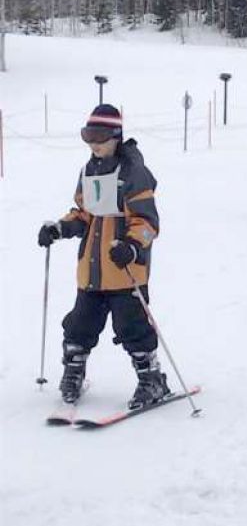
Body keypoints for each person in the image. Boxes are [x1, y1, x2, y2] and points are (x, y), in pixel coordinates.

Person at [37, 104, 170, 409]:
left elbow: (148, 223)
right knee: (78, 326)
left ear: (116, 136)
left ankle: (152, 379)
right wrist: (60, 228)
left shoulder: (134, 173)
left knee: (132, 328)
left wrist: (133, 246)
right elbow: (85, 214)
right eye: (88, 138)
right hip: (92, 272)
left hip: (125, 272)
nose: (94, 145)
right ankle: (74, 371)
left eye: (99, 138)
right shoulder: (89, 170)